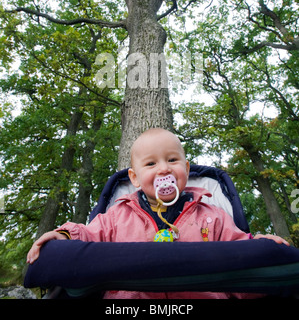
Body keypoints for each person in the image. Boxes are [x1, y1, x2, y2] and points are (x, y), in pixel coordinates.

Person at [27, 128, 289, 299]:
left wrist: (262, 248)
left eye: (173, 160)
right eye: (151, 163)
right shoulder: (118, 216)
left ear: (186, 168)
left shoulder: (213, 215)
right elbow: (87, 233)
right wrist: (64, 235)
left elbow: (239, 253)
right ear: (135, 178)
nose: (164, 169)